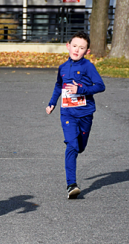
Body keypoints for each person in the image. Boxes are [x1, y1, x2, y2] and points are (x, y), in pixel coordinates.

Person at [45, 31, 105, 199]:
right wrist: (52, 103)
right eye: (75, 46)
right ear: (68, 46)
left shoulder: (88, 66)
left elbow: (100, 86)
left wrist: (81, 90)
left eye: (82, 48)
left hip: (85, 113)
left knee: (80, 147)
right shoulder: (63, 67)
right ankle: (71, 185)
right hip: (67, 113)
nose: (77, 50)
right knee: (71, 146)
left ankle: (78, 147)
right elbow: (58, 86)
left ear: (87, 51)